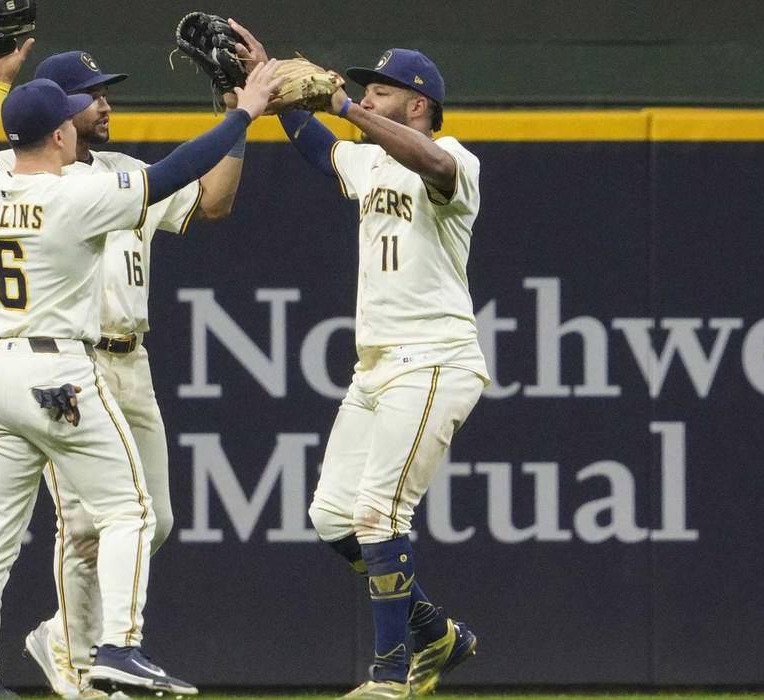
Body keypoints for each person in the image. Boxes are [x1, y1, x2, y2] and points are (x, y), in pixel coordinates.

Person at [0, 30, 281, 698]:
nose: (99, 108)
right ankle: (110, 649)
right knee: (126, 513)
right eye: (82, 102)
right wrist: (241, 111)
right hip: (61, 370)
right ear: (58, 129)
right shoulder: (75, 196)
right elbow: (173, 175)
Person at [229, 20, 488, 700]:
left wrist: (342, 106)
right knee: (332, 517)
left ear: (419, 104)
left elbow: (431, 165)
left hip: (433, 358)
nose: (369, 98)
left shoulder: (455, 158)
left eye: (383, 91)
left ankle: (389, 676)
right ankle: (435, 632)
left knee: (379, 515)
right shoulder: (369, 162)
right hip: (375, 366)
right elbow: (322, 152)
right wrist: (267, 83)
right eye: (365, 91)